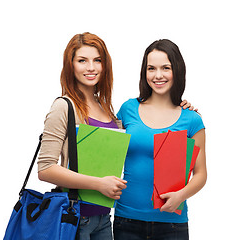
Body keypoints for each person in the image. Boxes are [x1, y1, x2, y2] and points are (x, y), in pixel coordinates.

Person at [37, 33, 194, 240]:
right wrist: (99, 184)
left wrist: (180, 108)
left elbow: (136, 135)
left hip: (104, 219)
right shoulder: (64, 106)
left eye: (97, 60)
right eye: (82, 61)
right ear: (70, 65)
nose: (91, 67)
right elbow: (45, 169)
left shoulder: (107, 109)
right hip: (75, 217)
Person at [113, 39, 207, 240]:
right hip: (126, 220)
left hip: (172, 224)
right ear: (144, 72)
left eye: (166, 68)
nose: (158, 75)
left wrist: (181, 196)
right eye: (151, 68)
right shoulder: (127, 110)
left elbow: (200, 174)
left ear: (177, 71)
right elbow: (105, 151)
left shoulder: (192, 119)